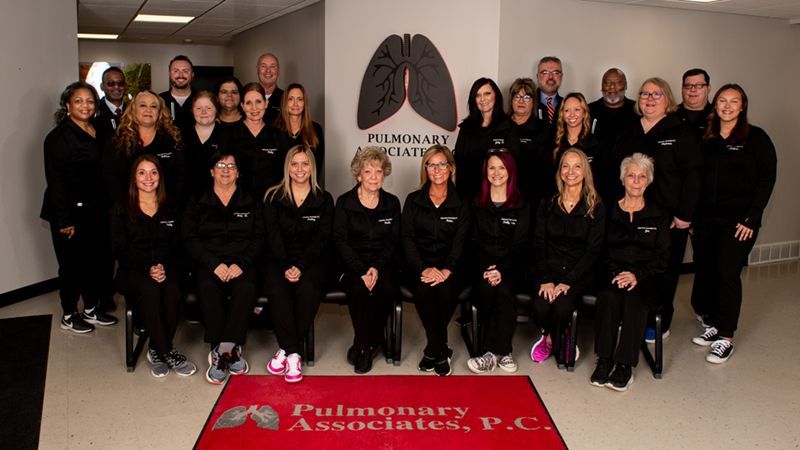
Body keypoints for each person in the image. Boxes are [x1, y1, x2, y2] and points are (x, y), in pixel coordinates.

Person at [690, 84, 777, 364]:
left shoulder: (756, 138)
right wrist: (692, 215)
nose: (727, 106)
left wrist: (752, 217)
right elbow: (696, 179)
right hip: (706, 220)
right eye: (722, 101)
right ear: (715, 105)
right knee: (708, 271)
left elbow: (767, 180)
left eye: (733, 101)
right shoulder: (707, 137)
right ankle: (714, 323)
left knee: (727, 273)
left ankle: (725, 337)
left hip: (739, 222)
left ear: (742, 106)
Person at [614, 77, 703, 340]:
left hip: (669, 218)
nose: (650, 99)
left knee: (664, 269)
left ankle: (659, 319)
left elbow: (693, 176)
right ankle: (629, 313)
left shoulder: (680, 131)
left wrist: (684, 215)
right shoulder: (629, 130)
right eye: (644, 94)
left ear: (668, 100)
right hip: (630, 212)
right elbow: (615, 172)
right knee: (629, 262)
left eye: (657, 94)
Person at [41, 81, 118, 333]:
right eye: (78, 101)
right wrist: (64, 220)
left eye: (89, 101)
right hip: (69, 213)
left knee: (98, 262)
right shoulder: (58, 138)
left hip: (96, 210)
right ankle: (69, 313)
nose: (85, 105)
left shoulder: (99, 128)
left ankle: (92, 308)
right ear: (67, 105)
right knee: (73, 266)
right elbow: (56, 183)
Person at [110, 155, 196, 378]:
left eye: (153, 172)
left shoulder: (172, 206)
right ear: (134, 178)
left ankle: (156, 349)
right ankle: (167, 351)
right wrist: (148, 267)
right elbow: (119, 249)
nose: (148, 178)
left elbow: (180, 245)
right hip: (133, 271)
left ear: (160, 176)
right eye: (142, 172)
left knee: (173, 291)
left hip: (167, 267)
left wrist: (162, 267)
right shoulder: (121, 208)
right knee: (149, 289)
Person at [182, 150, 264, 385]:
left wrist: (241, 263)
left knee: (247, 287)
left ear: (238, 173)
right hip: (209, 262)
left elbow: (259, 237)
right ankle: (225, 348)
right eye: (220, 165)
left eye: (231, 166)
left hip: (242, 262)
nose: (225, 170)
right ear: (211, 171)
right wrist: (214, 264)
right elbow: (189, 237)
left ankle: (224, 351)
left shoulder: (251, 199)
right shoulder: (198, 199)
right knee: (207, 286)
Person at [591, 153, 670, 392]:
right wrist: (617, 273)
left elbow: (663, 257)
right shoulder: (608, 211)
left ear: (649, 181)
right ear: (622, 179)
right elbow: (599, 250)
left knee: (635, 301)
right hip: (613, 275)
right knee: (608, 298)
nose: (636, 181)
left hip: (647, 278)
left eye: (642, 176)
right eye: (631, 176)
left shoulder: (659, 214)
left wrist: (638, 275)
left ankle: (625, 365)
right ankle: (605, 360)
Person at [263, 146, 334, 383]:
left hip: (312, 260)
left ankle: (285, 350)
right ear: (287, 168)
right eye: (295, 164)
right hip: (279, 259)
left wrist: (301, 266)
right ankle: (294, 353)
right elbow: (272, 237)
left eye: (305, 164)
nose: (300, 169)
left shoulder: (324, 199)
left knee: (307, 289)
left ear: (312, 167)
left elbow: (322, 239)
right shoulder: (273, 197)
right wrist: (286, 266)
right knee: (278, 290)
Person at [531, 148, 605, 365]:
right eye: (566, 165)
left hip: (578, 272)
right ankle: (555, 337)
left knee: (563, 306)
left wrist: (567, 282)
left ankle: (555, 339)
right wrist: (546, 278)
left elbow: (593, 251)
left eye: (577, 166)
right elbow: (538, 243)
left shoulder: (596, 206)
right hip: (548, 269)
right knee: (541, 305)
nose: (570, 171)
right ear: (560, 171)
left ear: (585, 171)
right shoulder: (548, 203)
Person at [402, 145, 470, 377]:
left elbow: (461, 242)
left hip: (452, 267)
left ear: (451, 168)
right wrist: (423, 268)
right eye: (432, 164)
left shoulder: (462, 202)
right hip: (419, 265)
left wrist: (447, 269)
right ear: (426, 169)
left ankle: (433, 348)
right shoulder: (413, 200)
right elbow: (407, 239)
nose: (437, 169)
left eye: (442, 164)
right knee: (423, 290)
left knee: (443, 290)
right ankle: (441, 349)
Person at [333, 147, 401, 374]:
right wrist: (362, 270)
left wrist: (376, 268)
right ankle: (366, 345)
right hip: (352, 264)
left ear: (385, 174)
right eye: (368, 171)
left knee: (387, 287)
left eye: (378, 171)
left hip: (383, 264)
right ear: (358, 175)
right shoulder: (344, 202)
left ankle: (367, 341)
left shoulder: (392, 203)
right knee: (359, 289)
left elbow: (393, 242)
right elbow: (340, 242)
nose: (373, 177)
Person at [466, 149, 530, 374]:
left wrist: (502, 269)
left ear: (510, 171)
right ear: (486, 172)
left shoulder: (521, 204)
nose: (496, 172)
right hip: (482, 267)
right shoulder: (476, 203)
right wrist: (487, 269)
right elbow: (472, 243)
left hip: (513, 267)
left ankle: (491, 353)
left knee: (503, 289)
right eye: (491, 167)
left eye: (501, 167)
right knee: (487, 288)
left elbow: (521, 245)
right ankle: (504, 351)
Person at [104, 90, 186, 205]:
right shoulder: (118, 140)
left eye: (153, 106)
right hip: (127, 209)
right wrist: (123, 206)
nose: (148, 110)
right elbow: (110, 176)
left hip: (165, 207)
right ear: (133, 110)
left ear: (160, 112)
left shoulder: (173, 139)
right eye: (143, 105)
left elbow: (180, 176)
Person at [454, 78, 516, 201]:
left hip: (499, 196)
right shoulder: (466, 128)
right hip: (469, 195)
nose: (483, 99)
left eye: (487, 93)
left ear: (496, 95)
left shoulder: (509, 127)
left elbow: (513, 165)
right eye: (478, 95)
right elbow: (459, 163)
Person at [552, 93, 613, 202]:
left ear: (584, 113)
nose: (571, 115)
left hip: (589, 203)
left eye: (577, 110)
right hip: (560, 203)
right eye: (567, 110)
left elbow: (604, 180)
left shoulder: (597, 143)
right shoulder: (553, 143)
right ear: (562, 114)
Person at [228, 82, 283, 200]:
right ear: (242, 106)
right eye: (248, 103)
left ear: (266, 103)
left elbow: (284, 173)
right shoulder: (230, 134)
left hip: (271, 202)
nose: (254, 108)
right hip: (239, 202)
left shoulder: (278, 136)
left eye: (258, 102)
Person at [507, 77, 549, 211]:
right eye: (517, 96)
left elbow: (546, 166)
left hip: (532, 195)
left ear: (533, 102)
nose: (521, 101)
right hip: (503, 193)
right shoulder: (501, 126)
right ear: (511, 100)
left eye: (526, 97)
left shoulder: (542, 128)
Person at [274, 83, 325, 186]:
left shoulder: (316, 130)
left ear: (304, 103)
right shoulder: (274, 130)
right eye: (291, 99)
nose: (295, 104)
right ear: (285, 103)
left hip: (307, 189)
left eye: (300, 99)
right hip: (280, 190)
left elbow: (317, 166)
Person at [183, 91, 227, 198]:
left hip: (217, 197)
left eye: (208, 108)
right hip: (186, 197)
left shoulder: (227, 136)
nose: (203, 112)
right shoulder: (181, 136)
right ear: (192, 111)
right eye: (198, 108)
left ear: (216, 110)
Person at [588, 68, 636, 150]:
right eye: (607, 83)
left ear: (626, 85)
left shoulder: (637, 110)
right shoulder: (589, 110)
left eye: (618, 82)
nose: (612, 86)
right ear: (601, 86)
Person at [159, 55, 195, 133]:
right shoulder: (159, 100)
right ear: (169, 74)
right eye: (176, 71)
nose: (181, 75)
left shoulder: (202, 99)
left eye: (185, 71)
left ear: (192, 75)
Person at [677, 68, 713, 137]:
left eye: (699, 85)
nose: (693, 90)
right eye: (688, 86)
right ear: (682, 89)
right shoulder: (669, 114)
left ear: (708, 88)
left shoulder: (718, 116)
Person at [95, 66, 127, 141]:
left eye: (120, 83)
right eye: (110, 83)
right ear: (102, 87)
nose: (116, 87)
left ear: (125, 86)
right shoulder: (94, 113)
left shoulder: (134, 112)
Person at [535, 56, 564, 129]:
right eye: (545, 72)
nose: (551, 77)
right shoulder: (526, 103)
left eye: (556, 72)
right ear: (537, 76)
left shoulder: (567, 105)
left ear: (561, 77)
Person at [257, 53, 283, 125]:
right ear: (257, 69)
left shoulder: (286, 98)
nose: (268, 70)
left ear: (278, 71)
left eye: (273, 66)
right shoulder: (246, 96)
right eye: (263, 66)